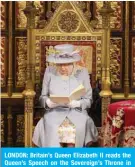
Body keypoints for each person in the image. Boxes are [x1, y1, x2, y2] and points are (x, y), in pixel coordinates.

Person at [32, 44, 98, 147]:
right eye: (59, 64)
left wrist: (77, 103)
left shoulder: (82, 72)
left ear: (72, 62)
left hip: (77, 113)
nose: (62, 68)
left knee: (76, 129)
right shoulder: (49, 72)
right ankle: (55, 160)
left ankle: (72, 160)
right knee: (53, 128)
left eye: (66, 64)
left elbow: (88, 100)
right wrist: (48, 103)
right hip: (54, 113)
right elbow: (42, 97)